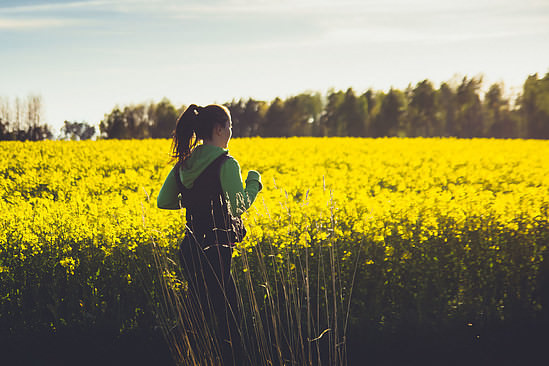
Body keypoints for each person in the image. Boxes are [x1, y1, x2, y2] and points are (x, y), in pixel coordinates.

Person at [157, 104, 262, 366]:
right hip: (215, 250)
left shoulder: (185, 163)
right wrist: (253, 183)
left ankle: (167, 352)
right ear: (219, 129)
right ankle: (163, 351)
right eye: (229, 127)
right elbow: (238, 207)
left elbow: (164, 200)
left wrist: (194, 200)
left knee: (198, 314)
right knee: (228, 316)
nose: (230, 131)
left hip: (191, 249)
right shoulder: (225, 163)